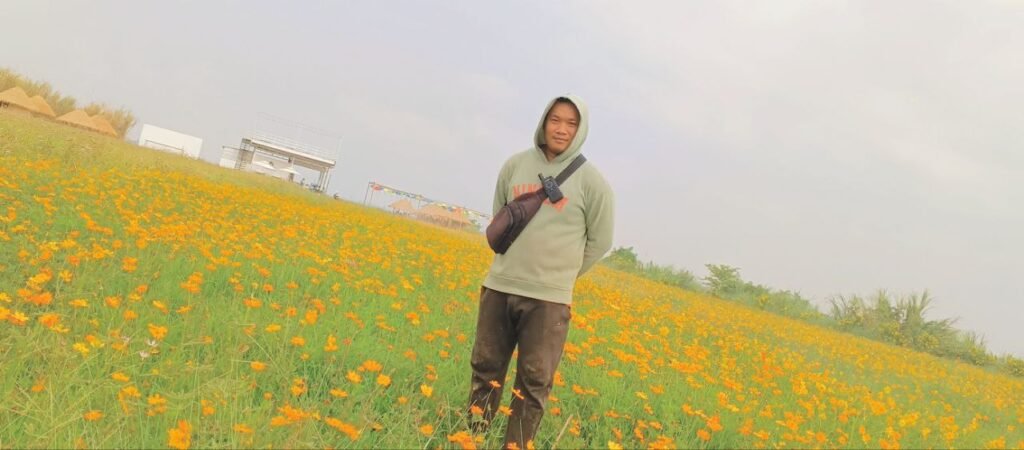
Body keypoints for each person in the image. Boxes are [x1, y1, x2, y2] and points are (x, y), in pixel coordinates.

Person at [468, 95, 615, 448]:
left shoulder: (593, 183)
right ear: (543, 122)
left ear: (581, 131)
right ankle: (470, 438)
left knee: (534, 381)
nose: (561, 129)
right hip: (500, 286)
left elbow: (600, 241)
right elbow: (501, 221)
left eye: (571, 123)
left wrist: (559, 277)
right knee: (485, 367)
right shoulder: (514, 166)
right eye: (555, 120)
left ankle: (515, 445)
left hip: (549, 300)